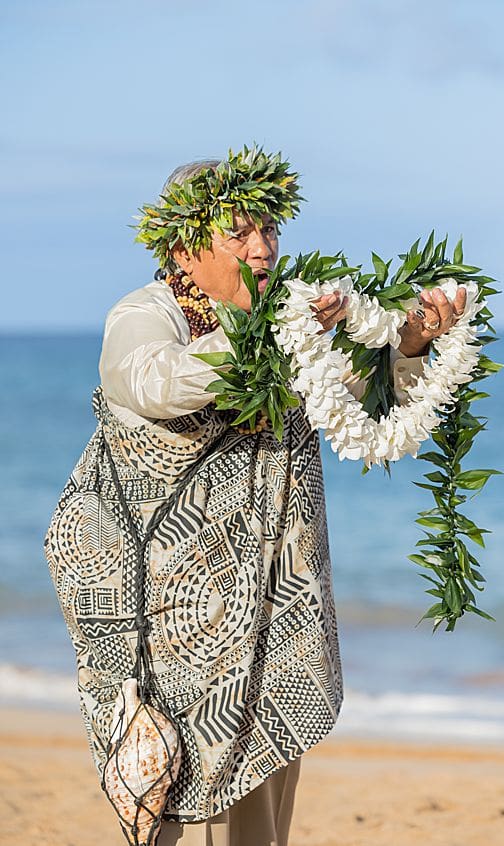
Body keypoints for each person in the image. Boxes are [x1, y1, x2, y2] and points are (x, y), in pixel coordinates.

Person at [44, 150, 466, 846]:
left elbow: (370, 402)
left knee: (264, 791)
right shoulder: (144, 316)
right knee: (169, 780)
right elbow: (153, 384)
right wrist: (260, 329)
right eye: (238, 232)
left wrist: (413, 340)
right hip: (168, 602)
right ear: (183, 248)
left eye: (269, 229)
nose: (263, 247)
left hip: (275, 595)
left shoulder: (292, 321)